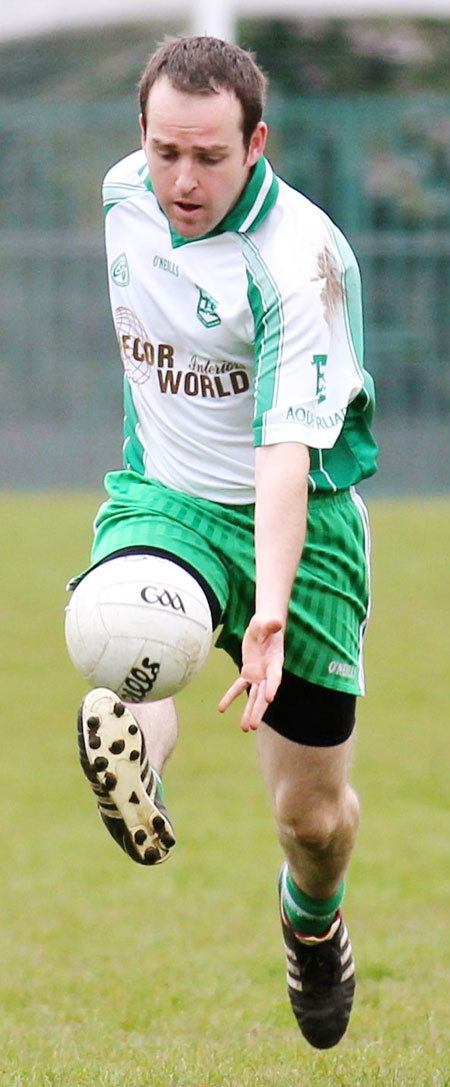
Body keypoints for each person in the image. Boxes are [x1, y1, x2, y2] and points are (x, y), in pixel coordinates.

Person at [66, 34, 378, 1050]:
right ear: (140, 140)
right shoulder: (123, 196)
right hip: (168, 499)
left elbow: (285, 451)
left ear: (258, 142)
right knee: (124, 645)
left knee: (313, 821)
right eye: (164, 153)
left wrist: (274, 608)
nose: (182, 180)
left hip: (305, 520)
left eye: (208, 157)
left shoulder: (302, 262)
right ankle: (131, 746)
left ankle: (312, 916)